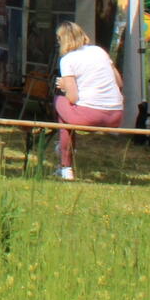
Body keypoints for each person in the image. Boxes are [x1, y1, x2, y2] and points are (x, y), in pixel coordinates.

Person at [54, 21, 124, 181]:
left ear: (62, 40)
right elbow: (119, 83)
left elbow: (73, 97)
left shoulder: (67, 60)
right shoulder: (99, 51)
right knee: (66, 112)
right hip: (115, 115)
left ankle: (65, 163)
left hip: (89, 116)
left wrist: (64, 86)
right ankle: (65, 154)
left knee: (59, 103)